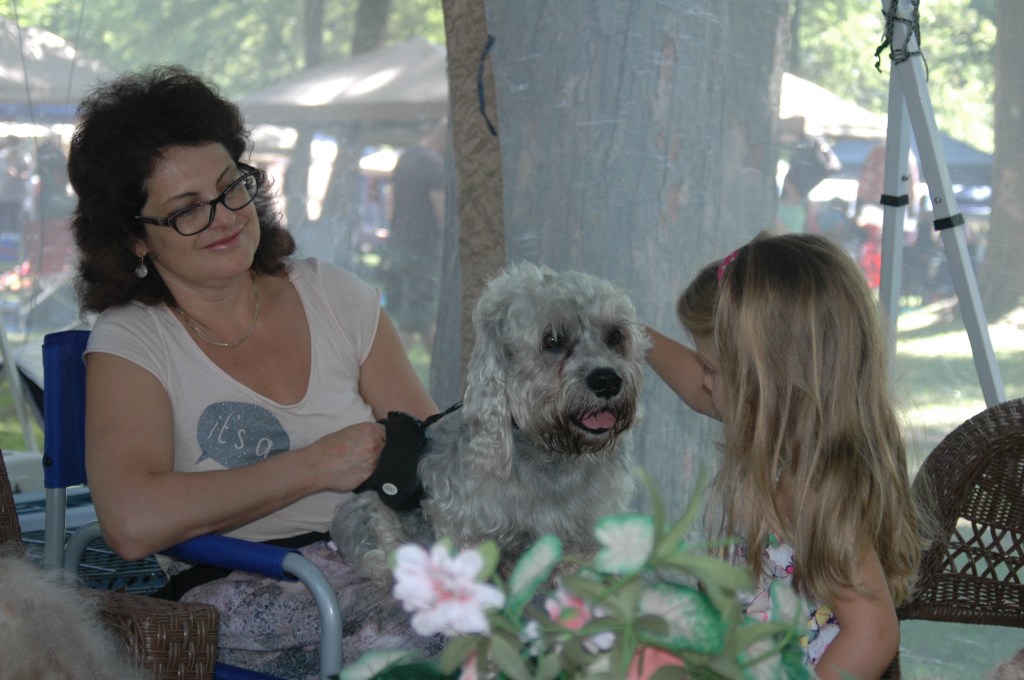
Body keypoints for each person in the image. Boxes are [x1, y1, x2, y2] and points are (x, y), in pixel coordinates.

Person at [66, 65, 441, 677]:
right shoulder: (134, 340)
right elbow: (131, 522)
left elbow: (438, 454)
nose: (225, 217)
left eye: (229, 187)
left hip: (379, 562)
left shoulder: (333, 295)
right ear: (135, 239)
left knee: (541, 612)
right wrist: (313, 465)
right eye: (187, 210)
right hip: (249, 585)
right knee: (438, 641)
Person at [645, 233, 924, 679]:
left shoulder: (808, 488)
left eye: (713, 369)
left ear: (766, 381)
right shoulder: (778, 438)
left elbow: (874, 632)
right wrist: (628, 333)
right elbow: (697, 389)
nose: (706, 382)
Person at [385, 119, 447, 353]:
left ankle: (445, 370)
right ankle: (391, 372)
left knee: (420, 316)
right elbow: (442, 212)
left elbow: (390, 204)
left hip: (400, 245)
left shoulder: (406, 158)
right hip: (424, 249)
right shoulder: (434, 164)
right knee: (413, 320)